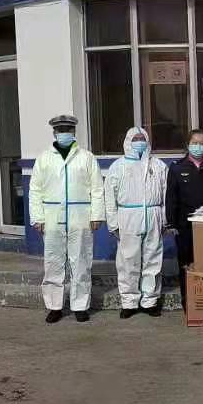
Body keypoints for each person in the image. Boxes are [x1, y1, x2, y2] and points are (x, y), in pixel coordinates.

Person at [29, 115, 105, 324]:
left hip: (80, 216)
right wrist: (37, 217)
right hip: (51, 217)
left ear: (74, 132)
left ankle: (80, 306)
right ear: (54, 132)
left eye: (67, 129)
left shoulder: (87, 157)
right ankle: (54, 306)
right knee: (53, 262)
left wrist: (97, 215)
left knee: (81, 262)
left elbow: (97, 188)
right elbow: (35, 190)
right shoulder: (44, 158)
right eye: (60, 129)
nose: (64, 133)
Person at [105, 127, 168, 318]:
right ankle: (129, 301)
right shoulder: (118, 166)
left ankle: (150, 301)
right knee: (128, 261)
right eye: (135, 138)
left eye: (142, 138)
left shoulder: (158, 165)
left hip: (153, 215)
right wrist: (113, 223)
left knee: (153, 260)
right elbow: (110, 197)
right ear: (128, 141)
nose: (139, 142)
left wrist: (164, 219)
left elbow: (166, 194)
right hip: (128, 216)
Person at [166, 129, 203, 308]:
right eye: (195, 143)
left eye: (202, 143)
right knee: (186, 264)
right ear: (188, 145)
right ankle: (188, 302)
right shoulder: (177, 168)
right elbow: (171, 197)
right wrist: (171, 223)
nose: (198, 146)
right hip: (184, 226)